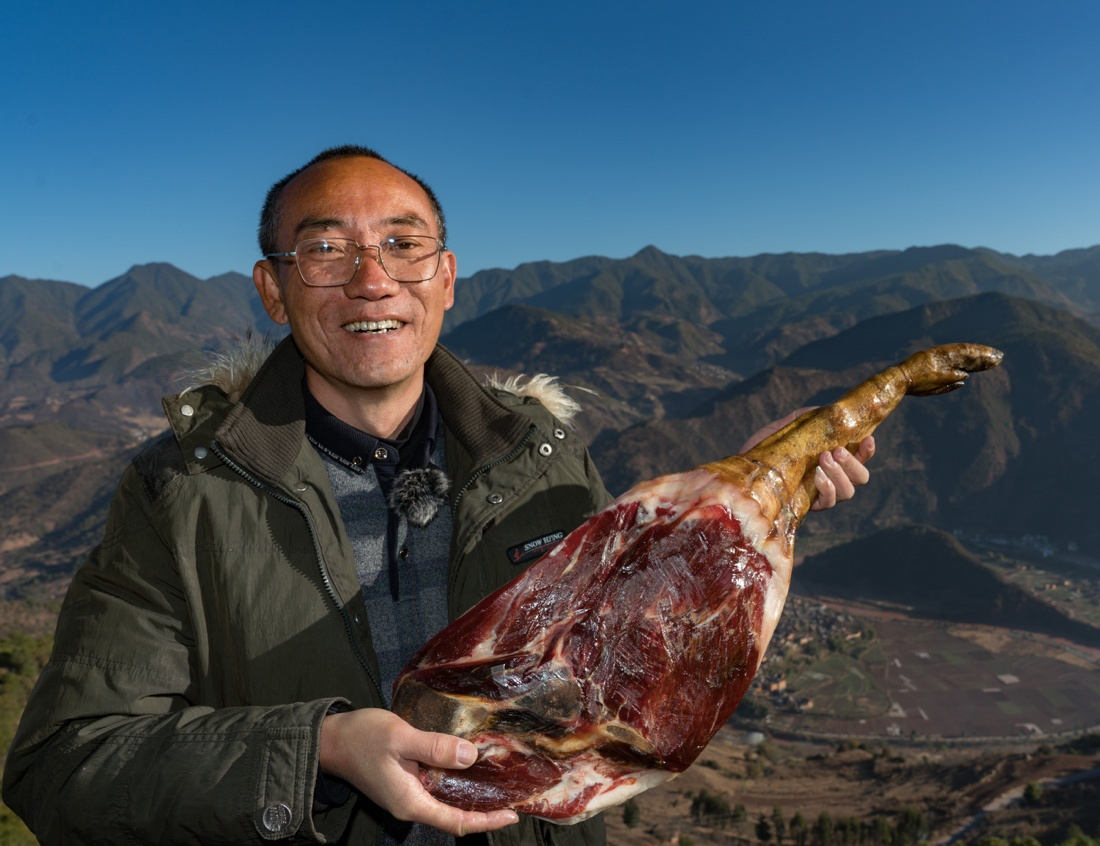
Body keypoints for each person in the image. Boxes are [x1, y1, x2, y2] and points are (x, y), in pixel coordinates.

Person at [2, 146, 875, 846]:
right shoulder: (182, 494)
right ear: (274, 289)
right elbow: (62, 769)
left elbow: (636, 661)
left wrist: (757, 488)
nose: (371, 278)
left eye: (402, 244)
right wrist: (318, 750)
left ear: (446, 278)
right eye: (324, 249)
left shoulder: (544, 465)